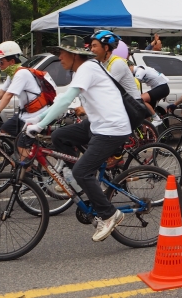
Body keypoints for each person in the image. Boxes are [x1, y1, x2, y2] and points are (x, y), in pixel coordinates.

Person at [26, 35, 133, 242]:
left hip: (112, 128)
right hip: (97, 124)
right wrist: (36, 119)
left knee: (82, 171)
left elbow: (66, 100)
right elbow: (64, 99)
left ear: (74, 55)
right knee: (60, 136)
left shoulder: (87, 68)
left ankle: (110, 214)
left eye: (61, 53)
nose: (59, 58)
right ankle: (73, 180)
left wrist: (39, 125)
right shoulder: (83, 69)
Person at [0, 41, 56, 155]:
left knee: (22, 147)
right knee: (5, 129)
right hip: (24, 114)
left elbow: (8, 95)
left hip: (35, 114)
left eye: (1, 62)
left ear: (11, 61)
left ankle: (27, 170)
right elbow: (2, 92)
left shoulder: (21, 74)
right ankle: (20, 156)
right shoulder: (13, 73)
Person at [130, 61, 170, 126]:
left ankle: (157, 119)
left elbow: (135, 84)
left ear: (129, 66)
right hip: (157, 88)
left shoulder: (140, 70)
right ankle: (148, 133)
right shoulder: (134, 72)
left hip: (162, 87)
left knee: (141, 99)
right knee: (145, 114)